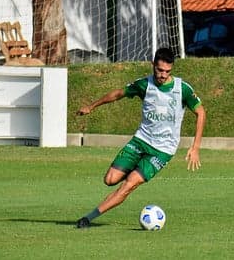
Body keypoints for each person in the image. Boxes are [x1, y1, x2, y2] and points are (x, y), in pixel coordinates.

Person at [75, 47, 206, 228]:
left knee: (129, 184)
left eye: (167, 71)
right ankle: (134, 172)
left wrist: (195, 147)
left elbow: (201, 112)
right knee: (110, 180)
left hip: (162, 150)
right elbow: (118, 94)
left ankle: (88, 218)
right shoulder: (144, 85)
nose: (163, 75)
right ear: (153, 65)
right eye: (160, 70)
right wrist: (92, 106)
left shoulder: (182, 89)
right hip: (141, 140)